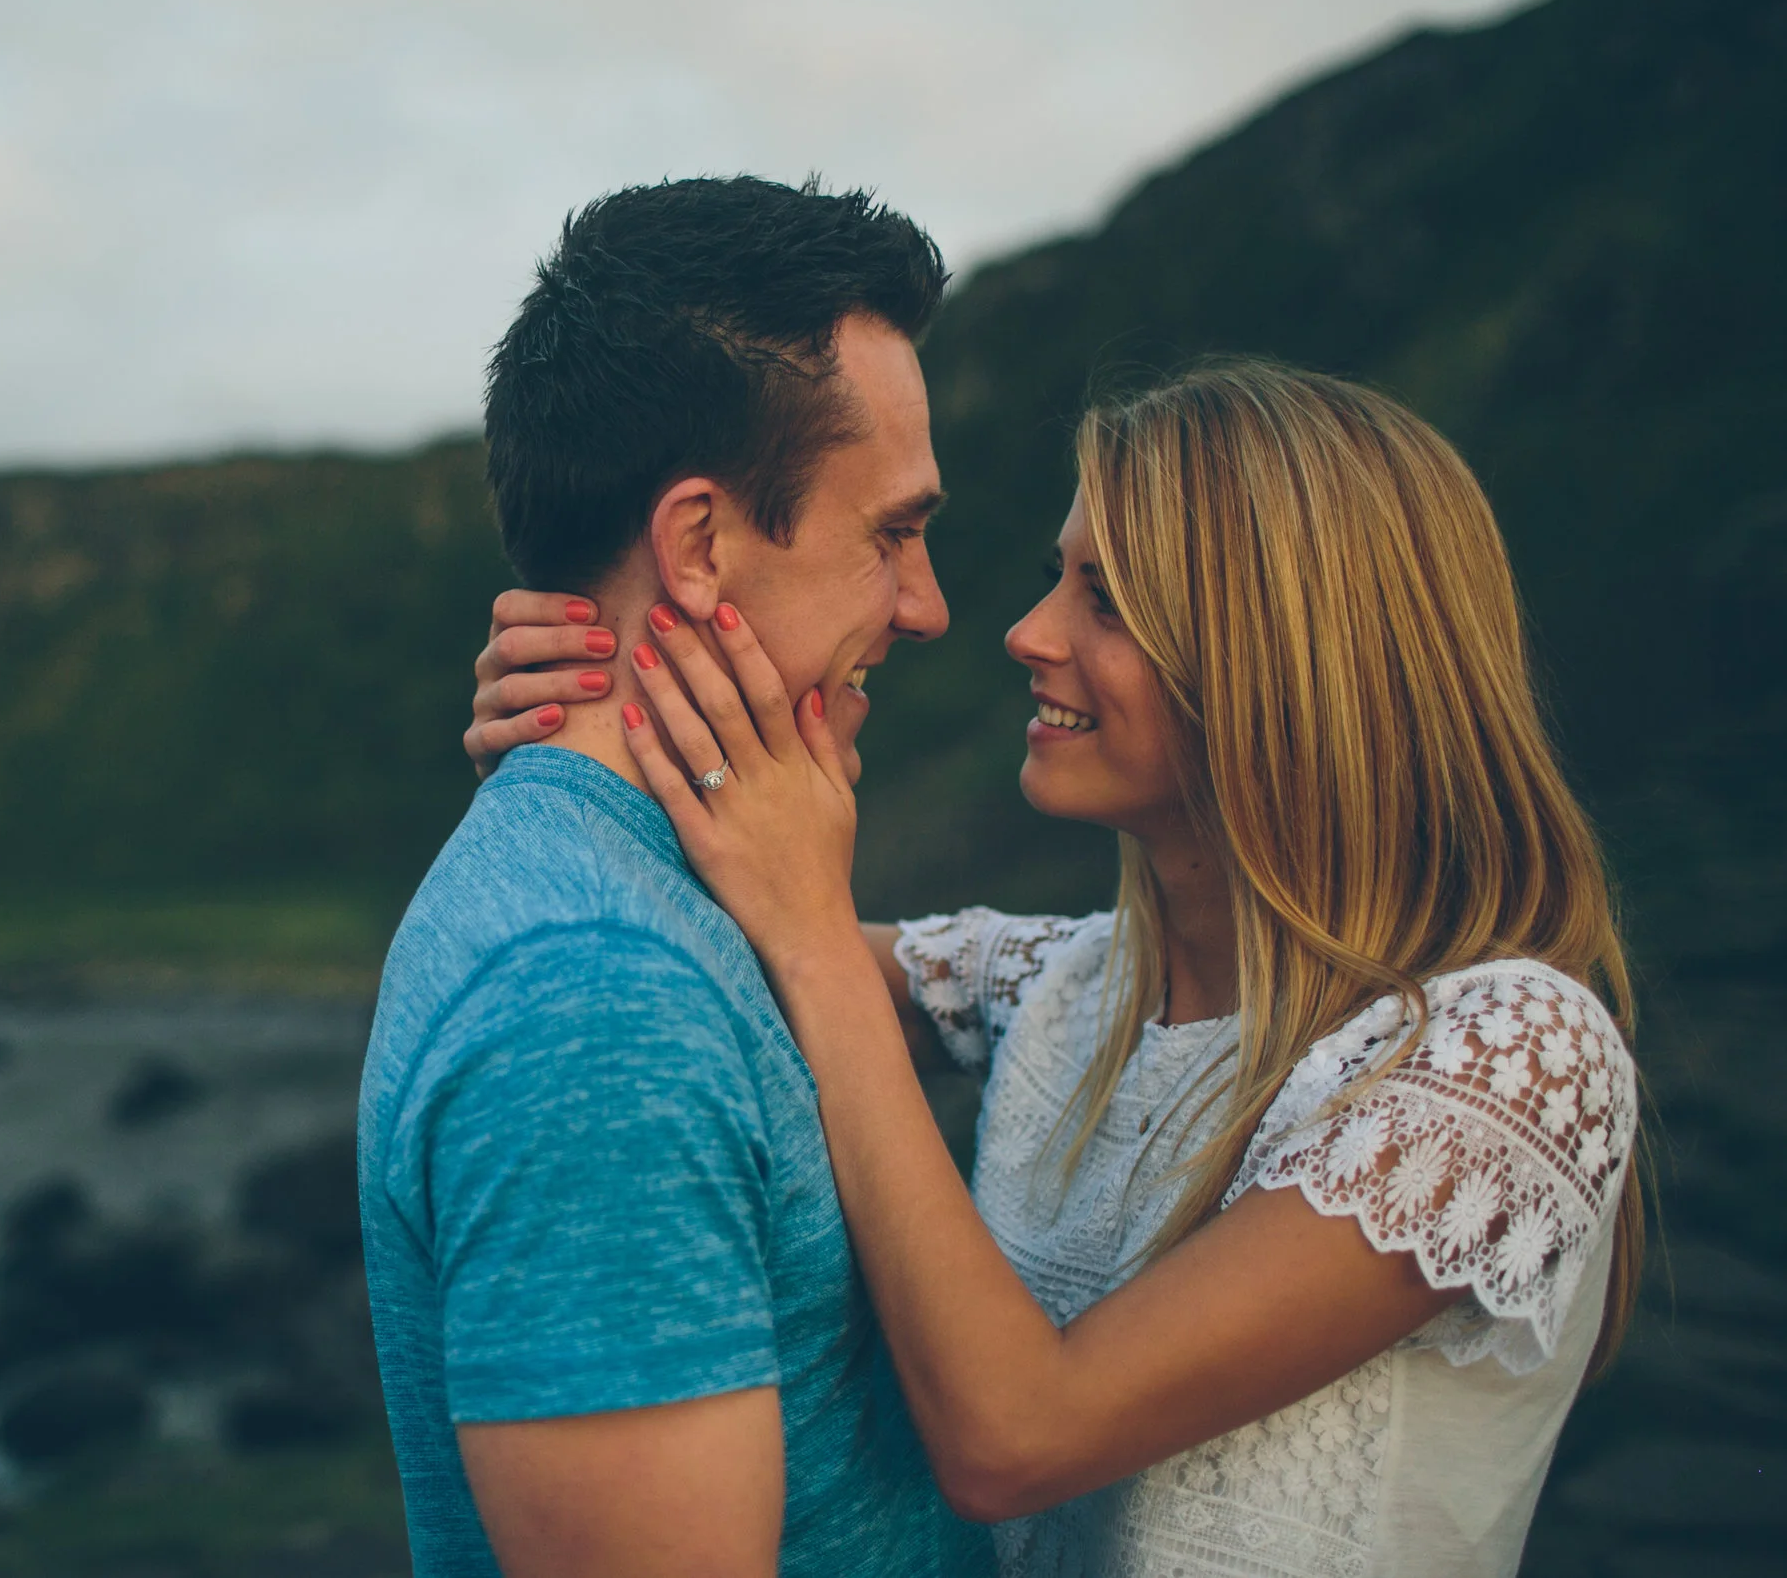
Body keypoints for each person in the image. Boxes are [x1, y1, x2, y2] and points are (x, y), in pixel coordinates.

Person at [466, 361, 1642, 1577]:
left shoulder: (1512, 1053)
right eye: (1055, 581)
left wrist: (815, 919)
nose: (1028, 635)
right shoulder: (1069, 982)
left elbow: (1012, 1437)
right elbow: (702, 948)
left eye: (1109, 599)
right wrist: (591, 737)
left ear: (1291, 654)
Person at [360, 175, 997, 1577]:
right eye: (889, 532)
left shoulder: (656, 902)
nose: (931, 603)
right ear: (701, 542)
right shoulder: (596, 1006)